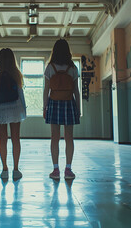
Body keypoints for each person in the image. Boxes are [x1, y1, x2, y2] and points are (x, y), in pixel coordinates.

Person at [43, 39, 81, 180]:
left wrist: (45, 107)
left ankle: (55, 170)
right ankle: (68, 169)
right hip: (69, 103)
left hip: (53, 103)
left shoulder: (50, 68)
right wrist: (78, 108)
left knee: (54, 137)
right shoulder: (73, 68)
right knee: (69, 137)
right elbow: (76, 91)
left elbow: (46, 90)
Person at [0, 48, 26, 180]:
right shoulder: (16, 74)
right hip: (15, 108)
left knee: (2, 139)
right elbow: (20, 94)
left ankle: (4, 169)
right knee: (16, 139)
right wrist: (23, 111)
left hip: (0, 108)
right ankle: (16, 170)